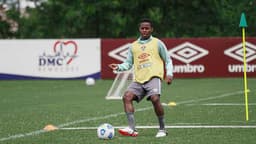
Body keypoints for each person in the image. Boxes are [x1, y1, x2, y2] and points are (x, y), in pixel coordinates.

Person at [108, 18, 173, 138]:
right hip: (138, 80)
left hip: (153, 77)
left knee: (154, 99)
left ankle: (162, 129)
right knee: (126, 97)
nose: (144, 30)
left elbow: (168, 60)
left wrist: (169, 74)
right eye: (142, 28)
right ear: (139, 29)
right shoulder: (133, 46)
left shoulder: (157, 43)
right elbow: (128, 63)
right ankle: (132, 129)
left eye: (147, 28)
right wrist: (118, 66)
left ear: (151, 29)